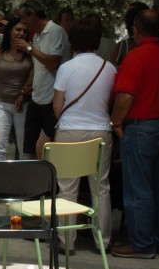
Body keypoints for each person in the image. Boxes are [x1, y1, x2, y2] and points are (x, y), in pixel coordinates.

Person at [109, 10, 159, 259]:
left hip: (141, 128)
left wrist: (116, 122)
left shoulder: (136, 57)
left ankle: (142, 244)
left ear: (136, 29)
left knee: (138, 189)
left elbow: (125, 95)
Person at [43, 15, 117, 253]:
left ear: (72, 41)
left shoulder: (66, 68)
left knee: (67, 187)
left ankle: (67, 242)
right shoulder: (109, 68)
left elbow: (57, 105)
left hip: (70, 131)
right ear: (97, 40)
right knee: (101, 187)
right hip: (101, 130)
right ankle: (103, 242)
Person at [20, 0, 70, 160]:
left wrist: (28, 48)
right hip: (37, 98)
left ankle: (51, 182)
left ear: (33, 14)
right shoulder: (36, 37)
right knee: (31, 147)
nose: (22, 22)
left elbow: (53, 62)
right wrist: (28, 85)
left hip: (51, 100)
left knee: (49, 148)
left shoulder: (56, 31)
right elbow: (38, 65)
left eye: (23, 18)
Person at [0, 16, 33, 162]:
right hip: (0, 103)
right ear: (10, 31)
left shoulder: (31, 51)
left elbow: (36, 73)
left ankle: (25, 183)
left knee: (24, 148)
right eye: (18, 29)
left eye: (25, 31)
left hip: (22, 105)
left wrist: (23, 93)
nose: (21, 33)